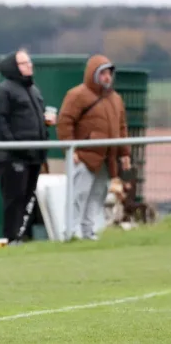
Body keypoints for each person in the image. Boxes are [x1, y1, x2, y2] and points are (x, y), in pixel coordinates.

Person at [57, 54, 131, 241]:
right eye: (103, 73)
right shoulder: (77, 95)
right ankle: (70, 232)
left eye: (109, 73)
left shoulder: (116, 99)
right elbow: (65, 122)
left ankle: (88, 231)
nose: (107, 77)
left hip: (107, 158)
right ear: (93, 74)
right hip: (84, 156)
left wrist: (125, 153)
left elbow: (122, 128)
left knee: (98, 196)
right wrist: (70, 149)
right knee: (78, 195)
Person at [0, 48, 55, 244]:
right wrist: (13, 146)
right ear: (14, 67)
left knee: (28, 198)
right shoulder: (5, 89)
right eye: (24, 63)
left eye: (29, 62)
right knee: (14, 199)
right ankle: (10, 239)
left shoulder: (34, 90)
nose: (29, 66)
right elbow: (1, 121)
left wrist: (45, 129)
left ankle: (21, 237)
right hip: (14, 157)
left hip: (34, 155)